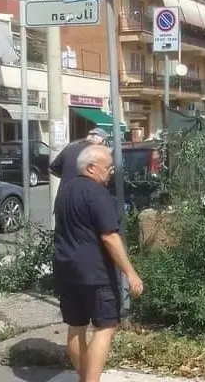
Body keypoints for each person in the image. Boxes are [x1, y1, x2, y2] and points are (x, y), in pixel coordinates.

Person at [52, 144, 144, 382]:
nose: (111, 172)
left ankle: (84, 377)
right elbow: (110, 237)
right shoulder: (97, 193)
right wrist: (130, 273)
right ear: (91, 168)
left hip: (66, 269)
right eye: (108, 168)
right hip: (95, 272)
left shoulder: (64, 191)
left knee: (76, 326)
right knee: (106, 326)